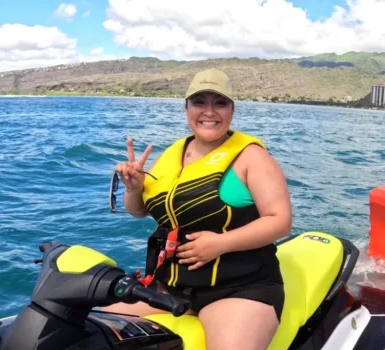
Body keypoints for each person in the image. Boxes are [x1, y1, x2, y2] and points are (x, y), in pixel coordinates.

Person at [105, 68, 293, 350]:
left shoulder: (251, 157)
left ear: (232, 110)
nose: (209, 111)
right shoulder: (174, 154)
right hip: (168, 287)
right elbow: (140, 211)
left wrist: (220, 243)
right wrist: (134, 187)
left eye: (219, 102)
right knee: (91, 331)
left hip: (239, 289)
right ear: (186, 109)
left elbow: (280, 221)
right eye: (199, 102)